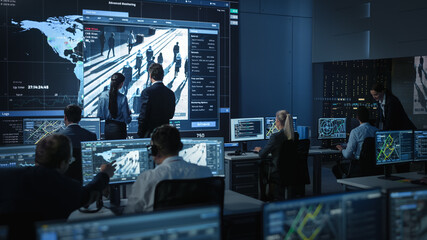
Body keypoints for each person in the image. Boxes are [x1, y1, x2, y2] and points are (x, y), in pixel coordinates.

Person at [0, 134, 115, 239]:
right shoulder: (66, 188)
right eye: (69, 160)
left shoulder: (6, 176)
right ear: (62, 163)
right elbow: (89, 194)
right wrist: (104, 174)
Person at [125, 125, 212, 213]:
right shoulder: (205, 173)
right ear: (180, 147)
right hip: (197, 225)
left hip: (160, 226)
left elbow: (130, 215)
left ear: (154, 151)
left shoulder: (147, 179)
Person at [370, 82, 416, 173]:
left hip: (403, 132)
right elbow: (380, 119)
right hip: (396, 132)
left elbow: (390, 122)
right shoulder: (380, 101)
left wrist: (381, 135)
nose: (374, 97)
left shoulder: (392, 101)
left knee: (401, 162)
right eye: (372, 95)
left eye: (375, 94)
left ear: (382, 91)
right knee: (394, 158)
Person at [253, 110, 297, 201]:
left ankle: (263, 198)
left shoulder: (276, 136)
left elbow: (262, 154)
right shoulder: (295, 135)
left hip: (277, 171)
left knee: (260, 164)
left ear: (277, 121)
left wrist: (259, 150)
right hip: (291, 170)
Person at [333, 106, 378, 178]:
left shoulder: (355, 132)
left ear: (357, 118)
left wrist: (342, 150)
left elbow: (347, 155)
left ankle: (347, 186)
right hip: (375, 167)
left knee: (335, 168)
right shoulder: (376, 131)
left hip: (359, 166)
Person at [58, 104, 97, 182]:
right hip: (84, 182)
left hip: (63, 182)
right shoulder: (91, 136)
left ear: (65, 117)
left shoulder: (57, 137)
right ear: (80, 118)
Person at [138, 63, 175, 138]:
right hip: (165, 136)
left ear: (150, 76)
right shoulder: (170, 93)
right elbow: (170, 115)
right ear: (163, 76)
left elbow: (143, 116)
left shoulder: (147, 92)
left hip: (150, 135)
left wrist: (140, 134)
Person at [97, 73, 132, 139]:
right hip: (120, 130)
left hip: (107, 129)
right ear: (121, 84)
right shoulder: (123, 98)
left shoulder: (102, 96)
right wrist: (129, 113)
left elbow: (100, 116)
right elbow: (127, 120)